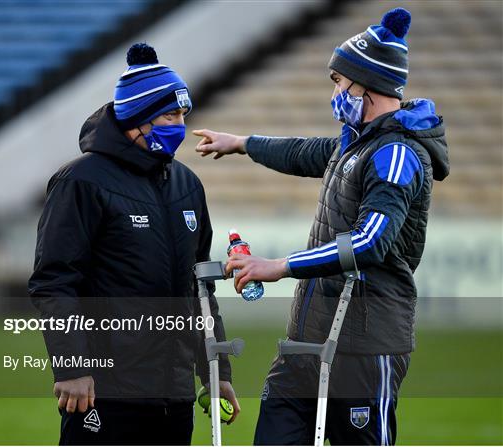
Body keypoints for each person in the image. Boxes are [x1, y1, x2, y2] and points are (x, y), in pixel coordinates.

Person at [194, 8, 449, 446]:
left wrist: (279, 266)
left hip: (365, 348)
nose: (334, 90)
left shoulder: (398, 155)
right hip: (307, 345)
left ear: (364, 83)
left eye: (338, 81)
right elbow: (304, 151)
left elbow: (370, 242)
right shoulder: (357, 143)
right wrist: (242, 144)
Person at [29, 43, 239, 446]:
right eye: (170, 114)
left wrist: (217, 372)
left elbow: (200, 288)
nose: (180, 125)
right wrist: (71, 366)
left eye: (183, 114)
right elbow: (54, 283)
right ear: (137, 119)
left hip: (173, 396)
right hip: (105, 391)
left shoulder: (187, 184)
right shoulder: (81, 182)